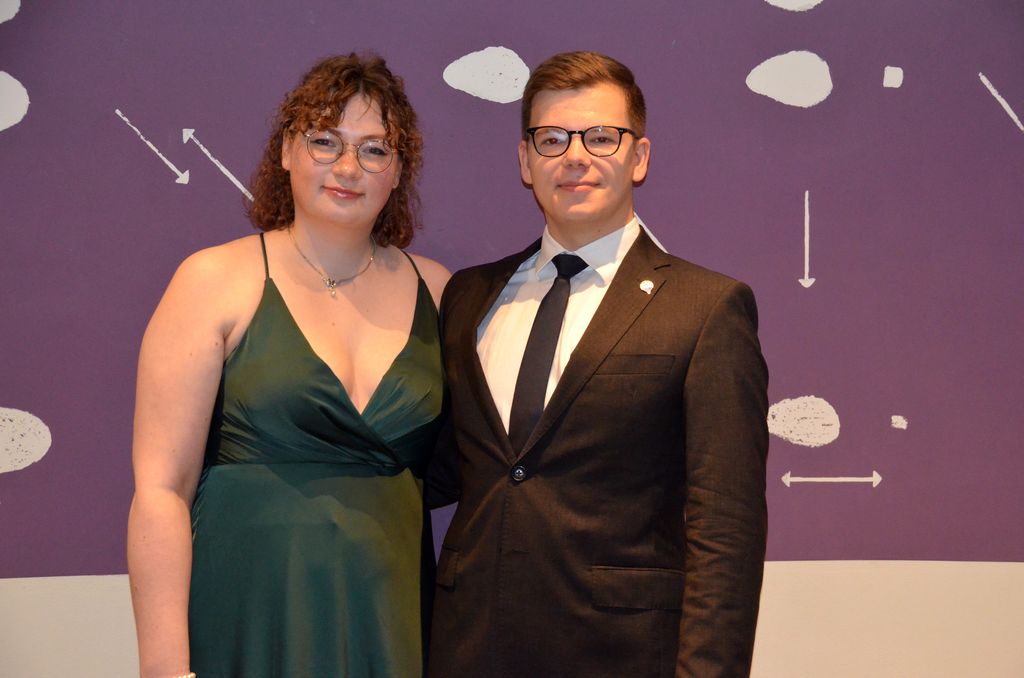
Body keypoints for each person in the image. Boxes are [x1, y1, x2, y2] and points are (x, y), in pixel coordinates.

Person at [427, 51, 769, 677]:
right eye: (552, 139)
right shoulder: (467, 297)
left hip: (624, 655)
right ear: (525, 160)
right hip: (467, 648)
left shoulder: (707, 308)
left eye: (601, 137)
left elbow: (726, 528)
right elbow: (443, 470)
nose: (575, 156)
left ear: (639, 156)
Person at [127, 53, 449, 678]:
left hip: (391, 620)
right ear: (285, 152)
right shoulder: (213, 280)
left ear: (398, 171)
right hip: (246, 615)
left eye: (374, 150)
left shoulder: (437, 291)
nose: (348, 167)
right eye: (325, 141)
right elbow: (161, 491)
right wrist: (164, 668)